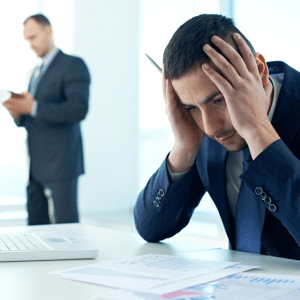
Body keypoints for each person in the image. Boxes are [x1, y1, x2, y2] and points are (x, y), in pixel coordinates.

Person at [134, 14, 300, 260]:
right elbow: (151, 227)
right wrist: (184, 148)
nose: (211, 126)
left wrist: (257, 131)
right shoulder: (201, 130)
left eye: (219, 99)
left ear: (260, 72)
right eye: (191, 107)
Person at [3, 14, 90, 225]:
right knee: (35, 226)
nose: (30, 45)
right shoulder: (33, 73)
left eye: (33, 37)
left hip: (61, 163)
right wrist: (17, 113)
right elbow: (31, 118)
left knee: (65, 226)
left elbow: (78, 110)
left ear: (48, 32)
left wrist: (33, 107)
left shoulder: (73, 64)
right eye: (27, 40)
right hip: (34, 164)